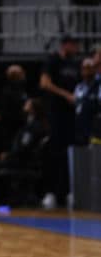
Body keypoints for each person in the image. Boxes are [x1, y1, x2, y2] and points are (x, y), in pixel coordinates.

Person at [39, 36, 82, 208]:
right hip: (55, 114)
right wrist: (66, 95)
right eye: (74, 45)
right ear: (66, 45)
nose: (76, 49)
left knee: (69, 154)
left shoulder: (75, 64)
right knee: (54, 152)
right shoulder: (53, 61)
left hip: (72, 117)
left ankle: (67, 193)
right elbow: (44, 83)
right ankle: (50, 193)